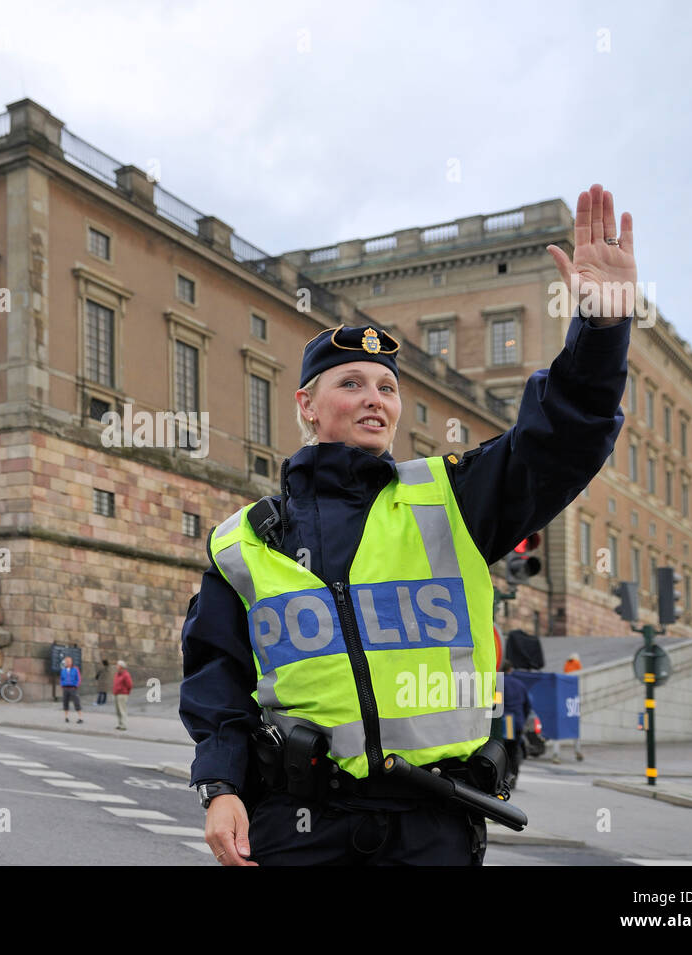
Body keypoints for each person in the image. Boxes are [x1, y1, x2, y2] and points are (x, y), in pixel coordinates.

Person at [179, 184, 635, 866]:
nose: (375, 399)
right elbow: (217, 674)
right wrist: (220, 785)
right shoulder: (243, 542)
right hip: (300, 826)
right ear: (306, 403)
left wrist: (599, 335)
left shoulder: (452, 498)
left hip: (432, 827)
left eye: (387, 387)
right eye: (352, 383)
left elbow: (556, 442)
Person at [495, 663, 532, 789]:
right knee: (514, 751)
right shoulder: (520, 684)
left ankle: (505, 778)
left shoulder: (499, 683)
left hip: (506, 721)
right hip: (517, 721)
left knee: (504, 752)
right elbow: (527, 705)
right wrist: (522, 719)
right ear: (511, 669)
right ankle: (513, 777)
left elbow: (495, 704)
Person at [60, 655, 83, 723]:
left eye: (69, 661)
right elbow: (61, 679)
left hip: (73, 688)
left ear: (71, 661)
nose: (67, 662)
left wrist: (76, 685)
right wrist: (62, 685)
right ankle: (66, 717)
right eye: (66, 661)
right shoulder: (63, 670)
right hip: (65, 688)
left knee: (76, 702)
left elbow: (78, 678)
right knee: (65, 702)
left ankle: (80, 718)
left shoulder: (75, 669)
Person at [113, 660, 133, 731]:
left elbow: (130, 685)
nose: (116, 666)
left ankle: (123, 725)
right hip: (116, 694)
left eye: (117, 665)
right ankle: (120, 724)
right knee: (118, 710)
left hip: (122, 694)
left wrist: (127, 692)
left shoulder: (126, 675)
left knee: (122, 710)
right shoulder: (117, 674)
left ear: (121, 667)